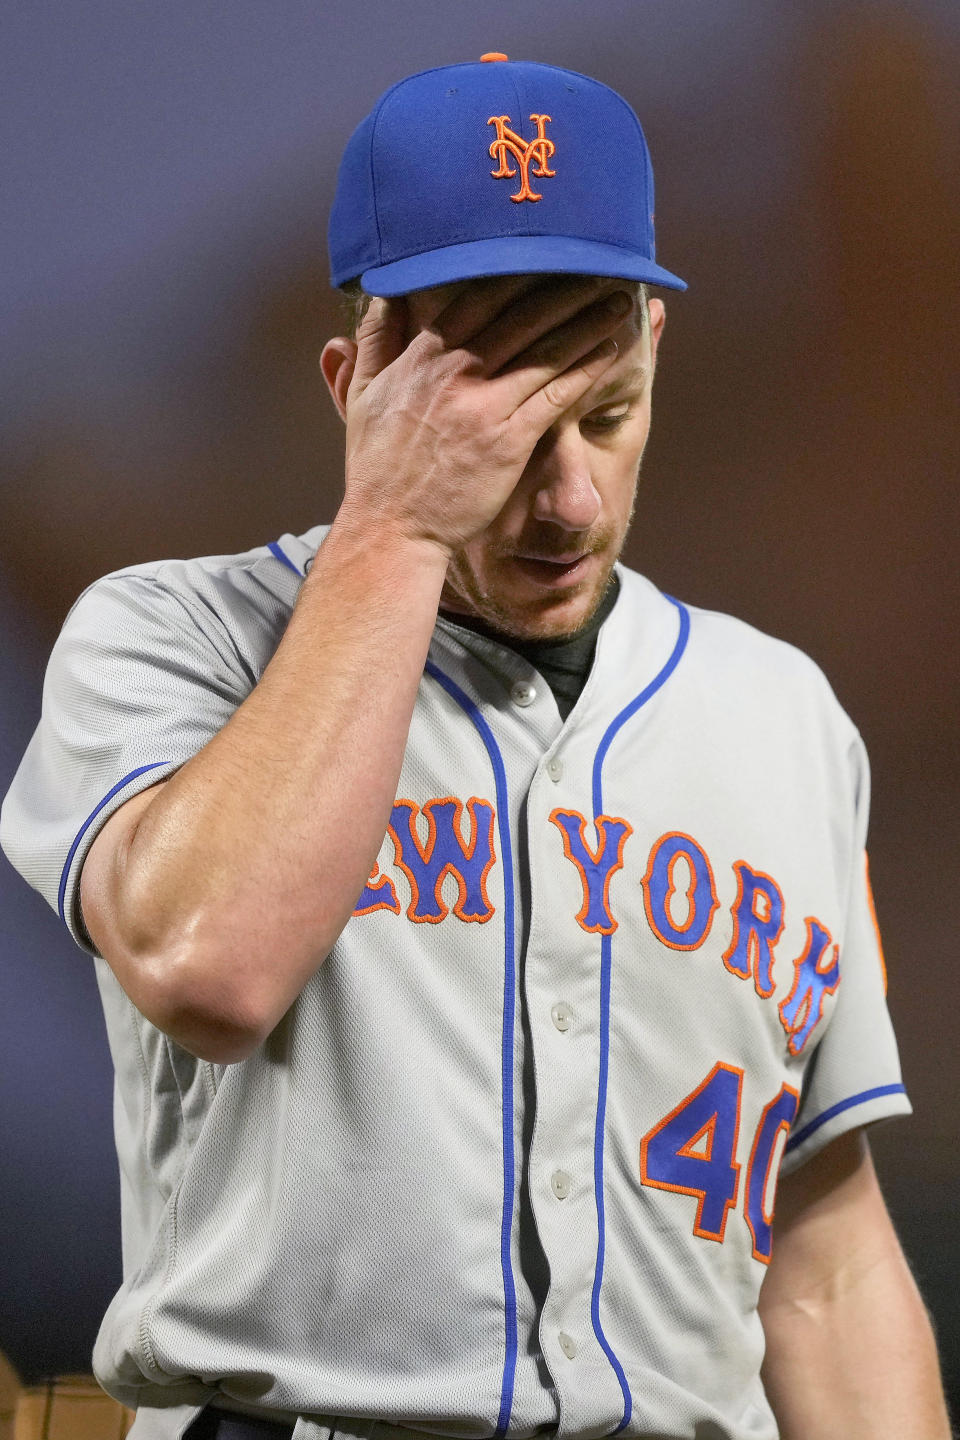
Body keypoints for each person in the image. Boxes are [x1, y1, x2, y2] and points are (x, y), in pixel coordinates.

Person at [0, 53, 951, 1440]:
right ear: (357, 388)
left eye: (603, 417)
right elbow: (209, 962)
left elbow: (822, 1261)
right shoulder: (169, 637)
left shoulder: (779, 710)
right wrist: (396, 527)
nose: (565, 496)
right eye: (495, 430)